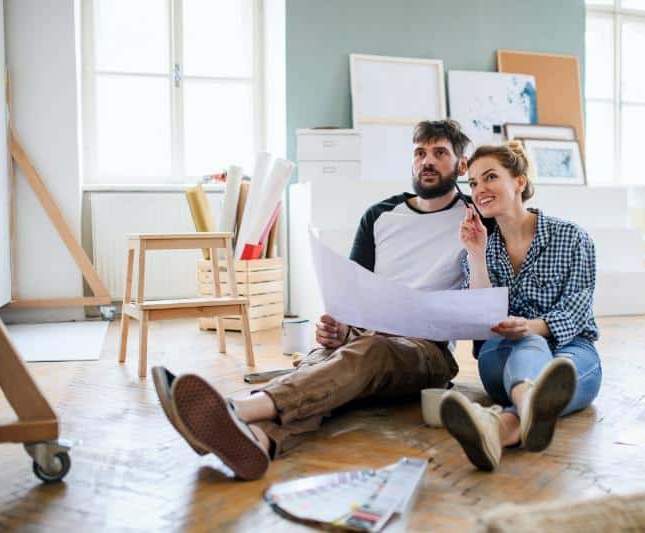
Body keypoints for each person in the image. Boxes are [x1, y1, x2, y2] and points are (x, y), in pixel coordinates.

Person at [152, 119, 492, 480]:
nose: (427, 161)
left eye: (440, 153)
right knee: (321, 371)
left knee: (365, 354)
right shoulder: (379, 216)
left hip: (425, 351)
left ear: (461, 165)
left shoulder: (475, 219)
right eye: (420, 152)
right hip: (364, 336)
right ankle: (258, 440)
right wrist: (340, 324)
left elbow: (481, 300)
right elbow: (352, 290)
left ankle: (233, 408)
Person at [439, 140, 602, 472]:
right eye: (472, 183)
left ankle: (501, 428)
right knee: (531, 345)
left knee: (559, 368)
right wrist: (476, 254)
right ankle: (531, 403)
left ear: (520, 182)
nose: (479, 189)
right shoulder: (480, 246)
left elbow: (576, 309)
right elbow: (481, 315)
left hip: (572, 350)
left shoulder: (572, 238)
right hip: (502, 354)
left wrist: (531, 327)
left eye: (490, 177)